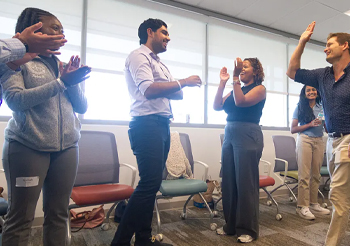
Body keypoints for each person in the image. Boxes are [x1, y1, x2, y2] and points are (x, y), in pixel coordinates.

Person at [287, 21, 350, 246]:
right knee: (347, 194)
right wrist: (302, 41)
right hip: (332, 140)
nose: (325, 48)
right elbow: (292, 72)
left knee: (337, 197)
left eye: (329, 44)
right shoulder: (322, 75)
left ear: (345, 46)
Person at [1, 7, 91, 246]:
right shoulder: (14, 61)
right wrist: (62, 83)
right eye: (55, 28)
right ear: (34, 29)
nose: (61, 34)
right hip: (27, 147)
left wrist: (71, 81)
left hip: (67, 148)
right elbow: (16, 101)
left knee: (59, 214)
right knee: (21, 218)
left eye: (62, 29)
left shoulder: (61, 65)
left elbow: (82, 107)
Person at [111, 18, 202, 246]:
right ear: (150, 32)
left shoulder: (159, 63)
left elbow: (177, 94)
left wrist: (177, 86)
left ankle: (143, 239)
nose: (168, 37)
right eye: (164, 32)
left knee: (151, 187)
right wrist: (183, 82)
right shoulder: (138, 56)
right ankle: (119, 242)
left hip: (161, 125)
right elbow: (149, 89)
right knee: (149, 184)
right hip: (146, 124)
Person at [213, 57, 266, 243]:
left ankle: (248, 229)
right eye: (240, 67)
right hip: (230, 132)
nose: (241, 69)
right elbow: (217, 106)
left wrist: (235, 78)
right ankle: (230, 226)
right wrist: (222, 82)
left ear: (256, 71)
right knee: (228, 181)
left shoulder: (259, 89)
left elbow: (241, 102)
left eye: (245, 67)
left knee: (245, 183)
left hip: (248, 133)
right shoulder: (236, 88)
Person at [291, 85, 330, 220]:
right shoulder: (300, 107)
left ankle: (314, 204)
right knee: (304, 175)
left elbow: (326, 126)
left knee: (316, 174)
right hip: (305, 139)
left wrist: (327, 124)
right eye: (308, 90)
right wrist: (309, 124)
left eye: (313, 90)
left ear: (317, 92)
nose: (311, 92)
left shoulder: (322, 107)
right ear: (304, 93)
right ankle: (302, 206)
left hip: (319, 140)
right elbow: (293, 129)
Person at [0, 22, 66, 83]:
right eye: (55, 28)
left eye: (62, 31)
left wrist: (11, 65)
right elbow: (13, 95)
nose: (62, 35)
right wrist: (23, 43)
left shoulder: (62, 65)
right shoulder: (25, 64)